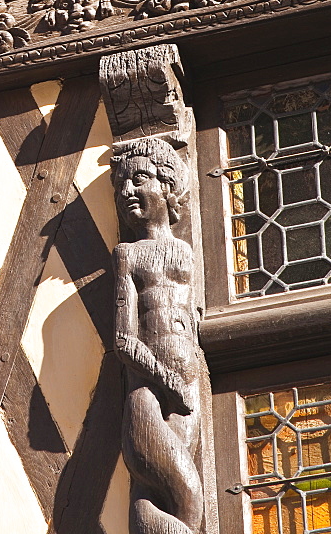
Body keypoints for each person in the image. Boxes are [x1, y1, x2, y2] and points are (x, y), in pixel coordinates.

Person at [112, 137, 204, 534]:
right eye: (122, 185)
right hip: (149, 392)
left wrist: (186, 380)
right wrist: (167, 380)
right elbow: (123, 339)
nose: (128, 191)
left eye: (140, 179)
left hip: (190, 385)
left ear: (167, 187)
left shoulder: (185, 250)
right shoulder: (127, 255)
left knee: (188, 493)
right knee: (170, 498)